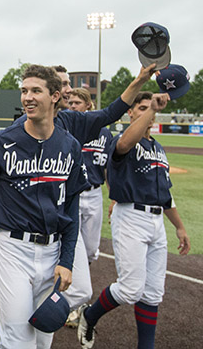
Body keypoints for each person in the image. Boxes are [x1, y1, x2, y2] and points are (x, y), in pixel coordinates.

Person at [0, 64, 89, 348]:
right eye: (24, 90)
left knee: (42, 340)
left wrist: (66, 261)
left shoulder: (70, 146)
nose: (27, 97)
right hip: (14, 249)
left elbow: (71, 209)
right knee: (17, 340)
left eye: (35, 91)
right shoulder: (3, 142)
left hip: (52, 251)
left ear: (54, 96)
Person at [77, 92, 190, 349]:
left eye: (149, 109)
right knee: (130, 289)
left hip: (156, 222)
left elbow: (165, 194)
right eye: (141, 108)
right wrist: (152, 109)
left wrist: (180, 227)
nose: (146, 112)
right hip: (131, 217)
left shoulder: (158, 148)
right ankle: (90, 315)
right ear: (130, 112)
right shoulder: (122, 140)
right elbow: (125, 145)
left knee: (152, 294)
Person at [59, 88, 113, 327]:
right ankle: (70, 296)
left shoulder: (105, 134)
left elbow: (110, 167)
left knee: (91, 250)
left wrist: (113, 197)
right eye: (69, 102)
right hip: (73, 196)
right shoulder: (67, 127)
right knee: (71, 242)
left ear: (89, 105)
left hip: (94, 193)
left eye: (78, 102)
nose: (72, 106)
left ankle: (77, 281)